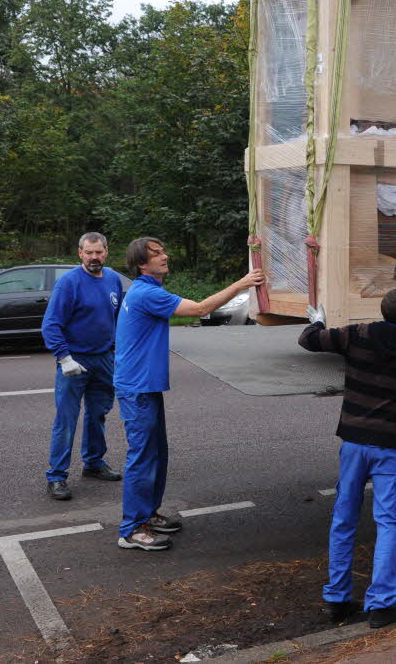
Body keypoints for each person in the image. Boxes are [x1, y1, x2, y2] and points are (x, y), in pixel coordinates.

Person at [298, 287, 396, 629]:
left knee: (344, 519)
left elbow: (309, 340)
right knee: (389, 522)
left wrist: (318, 320)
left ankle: (337, 600)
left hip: (354, 442)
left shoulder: (356, 335)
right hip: (390, 446)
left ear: (381, 311)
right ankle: (382, 605)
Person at [113, 237, 265, 551]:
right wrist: (243, 283)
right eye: (156, 254)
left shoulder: (145, 291)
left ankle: (148, 515)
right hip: (137, 387)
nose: (164, 256)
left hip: (144, 384)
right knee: (142, 458)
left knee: (156, 454)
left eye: (164, 250)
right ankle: (131, 529)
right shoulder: (147, 293)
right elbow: (200, 309)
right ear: (142, 264)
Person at [41, 232, 125, 500]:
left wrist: (117, 350)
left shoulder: (113, 278)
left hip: (104, 358)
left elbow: (117, 317)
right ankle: (56, 477)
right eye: (89, 253)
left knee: (98, 413)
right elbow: (51, 324)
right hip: (74, 360)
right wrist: (64, 359)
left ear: (106, 251)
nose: (94, 257)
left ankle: (94, 463)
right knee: (66, 420)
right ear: (80, 253)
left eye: (98, 252)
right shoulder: (69, 283)